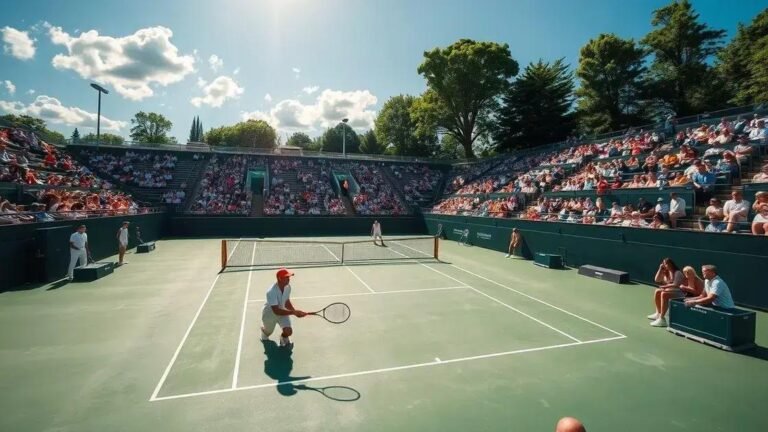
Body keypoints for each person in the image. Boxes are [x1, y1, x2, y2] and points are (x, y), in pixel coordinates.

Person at [261, 268, 307, 349]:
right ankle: (264, 331)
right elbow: (276, 311)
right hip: (270, 314)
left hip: (282, 312)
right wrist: (294, 313)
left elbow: (286, 301)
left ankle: (283, 338)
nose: (289, 279)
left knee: (289, 331)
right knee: (267, 334)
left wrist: (294, 311)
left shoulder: (287, 287)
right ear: (280, 278)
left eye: (289, 277)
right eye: (286, 277)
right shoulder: (271, 292)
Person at [648, 257, 684, 327]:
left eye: (666, 264)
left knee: (664, 294)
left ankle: (662, 319)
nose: (665, 265)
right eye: (664, 264)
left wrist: (665, 287)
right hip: (670, 291)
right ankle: (658, 313)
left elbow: (676, 285)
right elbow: (657, 280)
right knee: (657, 291)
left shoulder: (677, 273)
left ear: (671, 264)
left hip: (680, 293)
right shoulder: (666, 272)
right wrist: (660, 269)